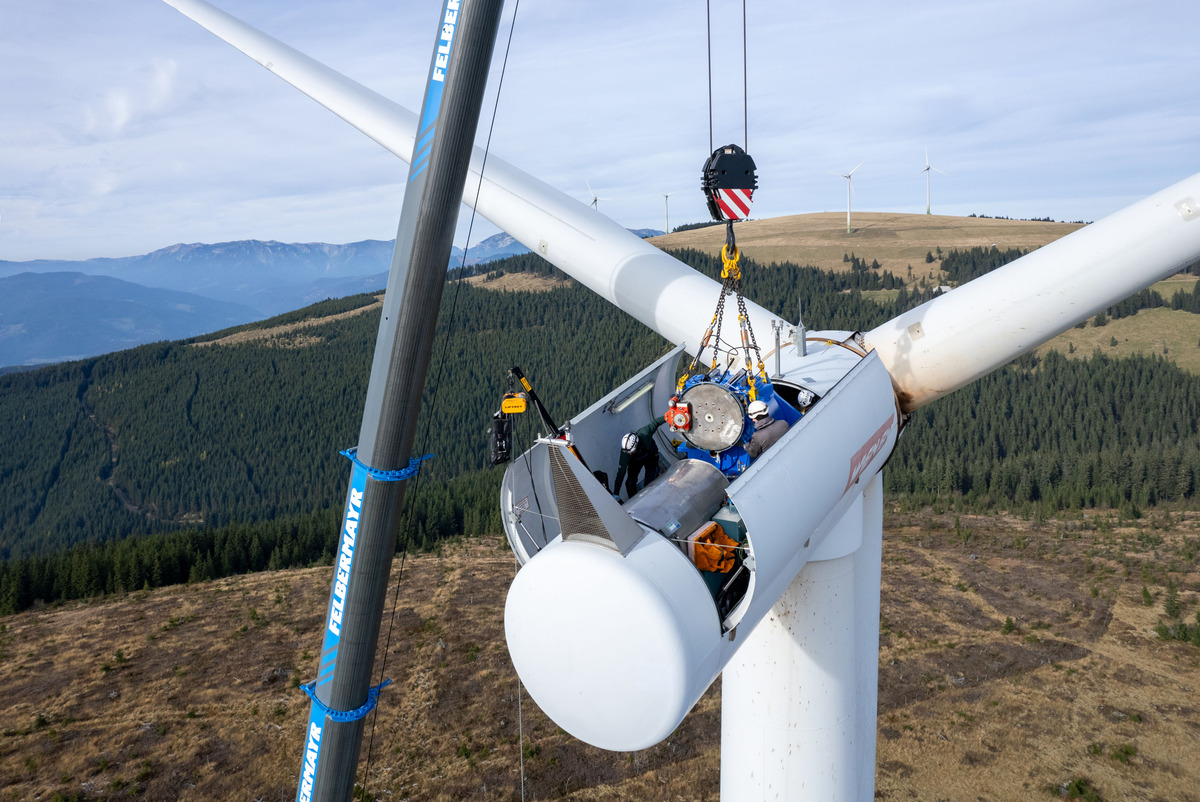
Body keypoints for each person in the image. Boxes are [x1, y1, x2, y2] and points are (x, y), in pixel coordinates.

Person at [613, 418, 664, 500]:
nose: (629, 453)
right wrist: (616, 493)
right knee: (629, 484)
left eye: (631, 451)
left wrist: (670, 416)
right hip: (636, 462)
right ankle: (635, 502)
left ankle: (655, 499)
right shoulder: (625, 453)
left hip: (650, 456)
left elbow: (656, 422)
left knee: (649, 482)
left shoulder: (644, 433)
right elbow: (621, 473)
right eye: (628, 452)